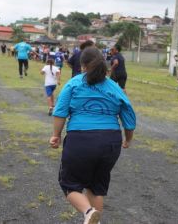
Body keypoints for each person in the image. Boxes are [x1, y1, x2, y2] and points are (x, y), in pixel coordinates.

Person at [49, 46, 136, 224]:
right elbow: (128, 115)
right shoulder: (114, 86)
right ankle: (93, 219)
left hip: (80, 140)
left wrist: (55, 135)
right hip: (110, 142)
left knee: (69, 183)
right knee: (96, 188)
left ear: (83, 66)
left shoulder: (74, 83)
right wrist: (128, 139)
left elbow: (60, 112)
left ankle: (88, 211)